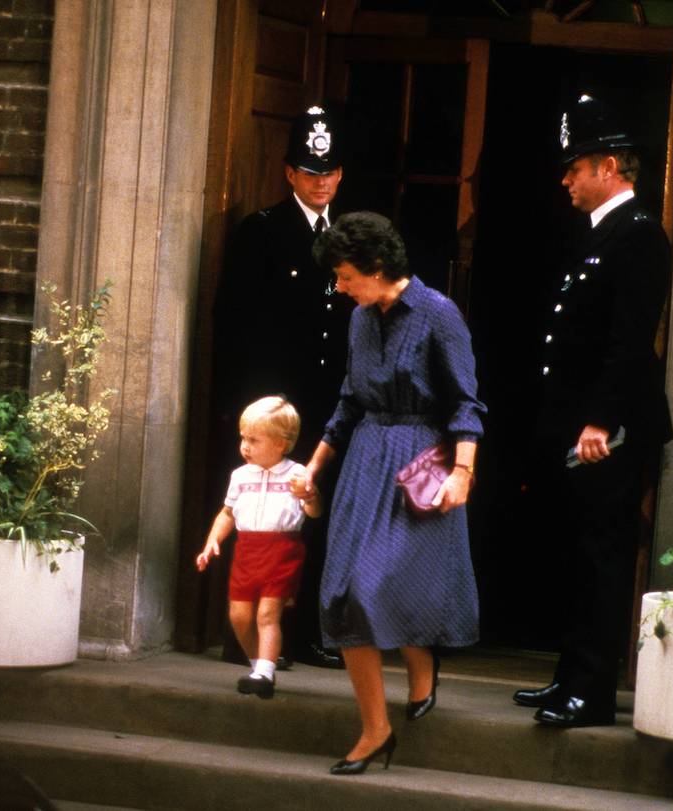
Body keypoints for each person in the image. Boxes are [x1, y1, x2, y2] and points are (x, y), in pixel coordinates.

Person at [296, 212, 486, 775]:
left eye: (347, 275)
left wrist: (463, 473)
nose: (341, 286)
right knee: (341, 592)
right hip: (365, 460)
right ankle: (376, 728)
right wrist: (313, 467)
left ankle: (419, 659)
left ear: (378, 268)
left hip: (421, 464)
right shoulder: (360, 320)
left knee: (378, 584)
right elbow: (349, 402)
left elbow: (465, 403)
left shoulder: (438, 314)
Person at [510, 94, 673, 728]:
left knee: (602, 558)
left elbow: (629, 342)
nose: (566, 178)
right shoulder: (600, 233)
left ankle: (594, 692)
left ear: (608, 166)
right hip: (578, 428)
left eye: (575, 165)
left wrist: (600, 421)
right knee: (576, 554)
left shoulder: (638, 236)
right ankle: (569, 678)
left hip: (609, 431)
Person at [211, 105, 354, 669]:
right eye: (311, 172)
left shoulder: (349, 234)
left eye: (331, 172)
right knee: (259, 522)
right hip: (271, 408)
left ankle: (307, 634)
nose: (322, 183)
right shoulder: (262, 231)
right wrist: (235, 405)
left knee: (314, 518)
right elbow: (233, 321)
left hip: (326, 405)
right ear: (289, 174)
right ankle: (243, 638)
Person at [195, 396, 324, 699]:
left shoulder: (297, 474)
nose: (245, 446)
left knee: (267, 614)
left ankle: (264, 673)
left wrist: (310, 494)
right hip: (247, 550)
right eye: (243, 438)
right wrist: (212, 541)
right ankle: (259, 665)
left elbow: (315, 512)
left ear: (281, 443)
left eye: (254, 439)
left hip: (282, 550)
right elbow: (227, 513)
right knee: (239, 617)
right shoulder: (239, 476)